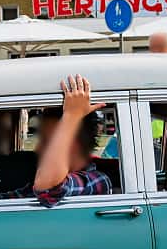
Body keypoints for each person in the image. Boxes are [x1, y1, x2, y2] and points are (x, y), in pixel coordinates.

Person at [32, 75, 113, 206]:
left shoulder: (97, 180)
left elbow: (47, 191)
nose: (37, 148)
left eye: (47, 142)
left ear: (70, 145)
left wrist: (71, 116)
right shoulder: (42, 173)